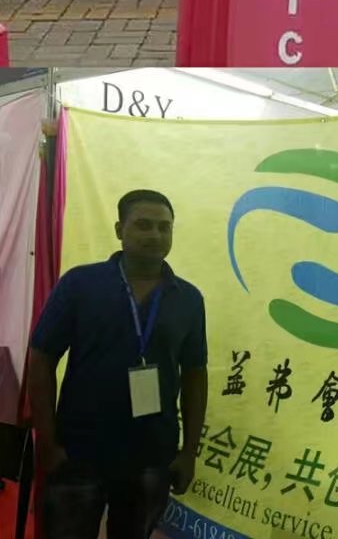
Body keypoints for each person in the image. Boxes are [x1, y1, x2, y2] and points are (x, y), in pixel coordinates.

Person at [28, 189, 207, 539]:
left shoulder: (188, 299)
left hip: (152, 454)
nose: (155, 234)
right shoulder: (80, 284)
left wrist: (189, 452)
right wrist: (46, 441)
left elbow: (195, 375)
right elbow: (41, 358)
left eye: (164, 227)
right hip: (79, 450)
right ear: (118, 229)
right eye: (143, 225)